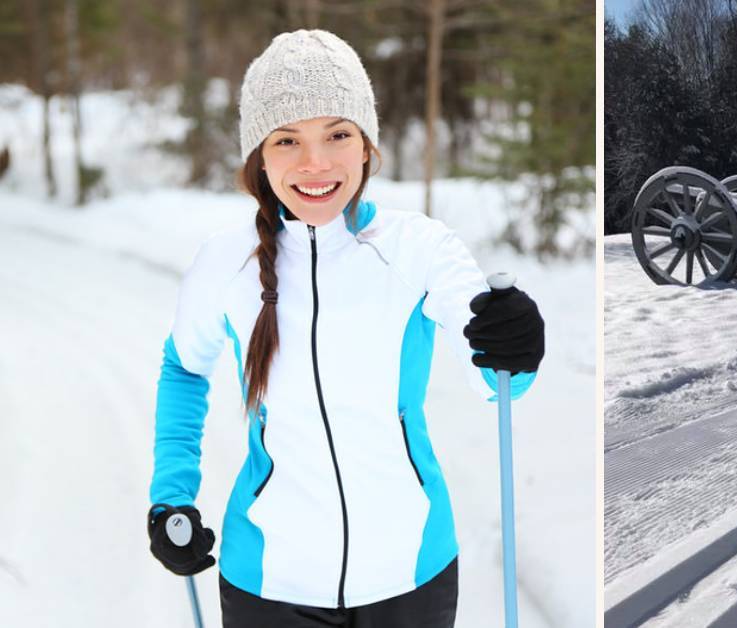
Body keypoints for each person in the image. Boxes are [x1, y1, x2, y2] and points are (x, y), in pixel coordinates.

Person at [145, 29, 544, 627]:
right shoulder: (225, 265)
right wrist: (171, 493)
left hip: (410, 576)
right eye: (288, 140)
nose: (316, 162)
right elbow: (183, 366)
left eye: (337, 133)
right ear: (260, 156)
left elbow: (497, 377)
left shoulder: (418, 249)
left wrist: (514, 342)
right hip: (267, 584)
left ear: (365, 146)